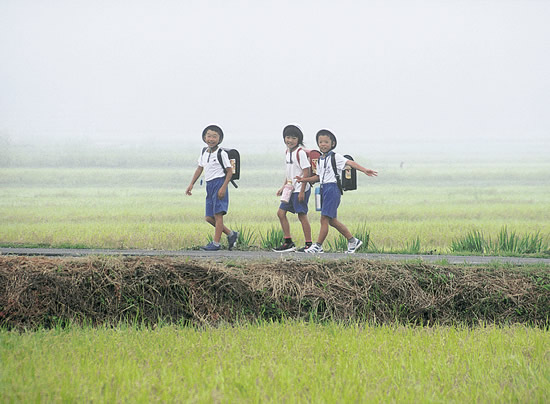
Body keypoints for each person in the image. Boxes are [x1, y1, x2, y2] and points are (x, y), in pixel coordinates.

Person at [296, 129, 378, 253]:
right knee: (332, 221)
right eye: (320, 142)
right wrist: (304, 179)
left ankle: (318, 246)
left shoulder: (336, 157)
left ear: (332, 144)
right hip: (323, 188)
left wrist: (365, 170)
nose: (323, 144)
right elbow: (318, 177)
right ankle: (353, 241)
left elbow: (350, 162)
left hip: (332, 189)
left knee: (324, 219)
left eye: (326, 142)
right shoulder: (320, 160)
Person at [185, 125, 239, 251]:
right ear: (204, 138)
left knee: (218, 215)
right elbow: (200, 168)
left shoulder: (222, 153)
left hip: (219, 184)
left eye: (214, 136)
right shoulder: (204, 152)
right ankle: (231, 234)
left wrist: (223, 188)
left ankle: (216, 243)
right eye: (209, 136)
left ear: (219, 139)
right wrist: (191, 184)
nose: (211, 139)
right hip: (209, 185)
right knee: (209, 217)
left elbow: (229, 172)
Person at [274, 125, 313, 252]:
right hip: (290, 188)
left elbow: (305, 172)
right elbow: (289, 172)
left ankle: (309, 244)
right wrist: (283, 187)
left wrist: (302, 191)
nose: (290, 140)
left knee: (302, 215)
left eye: (293, 138)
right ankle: (288, 242)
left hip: (300, 188)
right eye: (287, 137)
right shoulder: (287, 152)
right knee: (281, 213)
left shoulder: (300, 153)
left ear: (299, 139)